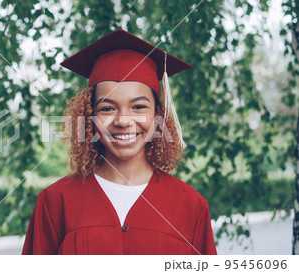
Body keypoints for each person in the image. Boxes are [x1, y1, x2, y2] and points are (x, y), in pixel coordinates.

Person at [21, 29, 217, 255]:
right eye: (107, 108)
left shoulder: (191, 206)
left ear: (158, 115)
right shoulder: (55, 203)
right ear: (89, 118)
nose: (123, 121)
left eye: (139, 107)